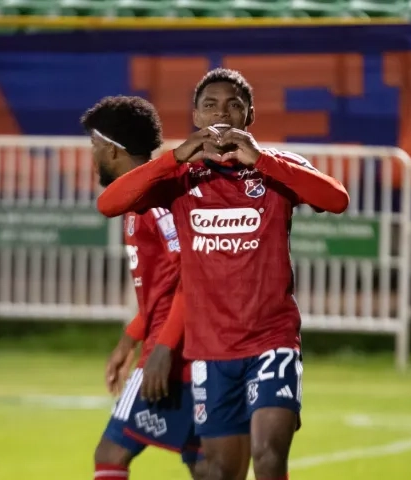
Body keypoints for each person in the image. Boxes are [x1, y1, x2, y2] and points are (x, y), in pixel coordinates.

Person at [96, 69, 350, 480]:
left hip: (271, 340)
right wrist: (175, 157)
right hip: (210, 350)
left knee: (269, 458)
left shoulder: (276, 168)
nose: (222, 113)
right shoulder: (179, 177)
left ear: (249, 116)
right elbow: (109, 203)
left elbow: (336, 199)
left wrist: (262, 159)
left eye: (234, 104)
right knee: (218, 471)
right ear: (195, 116)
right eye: (210, 104)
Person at [83, 95, 203, 480]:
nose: (93, 157)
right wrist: (128, 340)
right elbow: (162, 288)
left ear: (115, 151)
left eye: (96, 148)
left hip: (173, 352)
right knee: (205, 465)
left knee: (111, 453)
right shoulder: (137, 200)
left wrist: (162, 348)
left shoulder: (156, 200)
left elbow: (192, 275)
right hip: (188, 348)